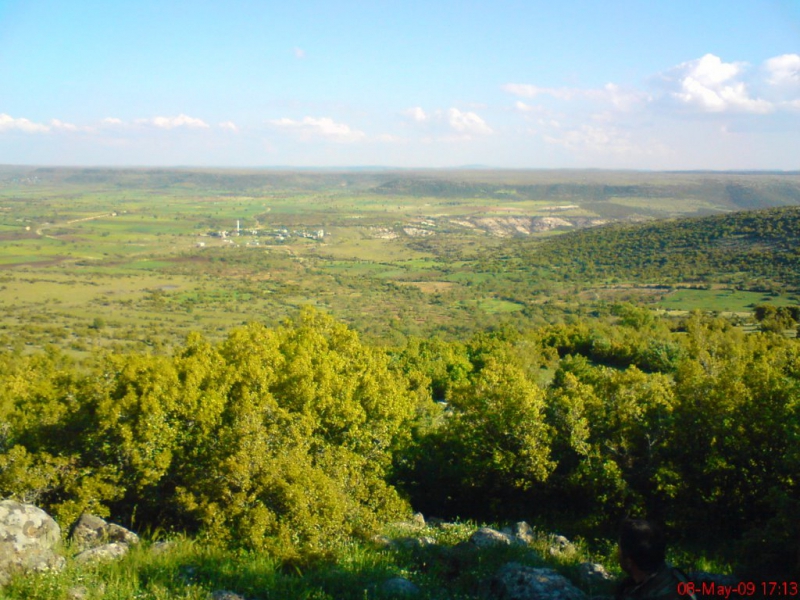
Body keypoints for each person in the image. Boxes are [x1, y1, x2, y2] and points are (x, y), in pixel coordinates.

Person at [616, 518, 696, 600]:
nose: (617, 552)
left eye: (619, 548)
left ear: (629, 561)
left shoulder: (657, 594)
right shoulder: (673, 577)